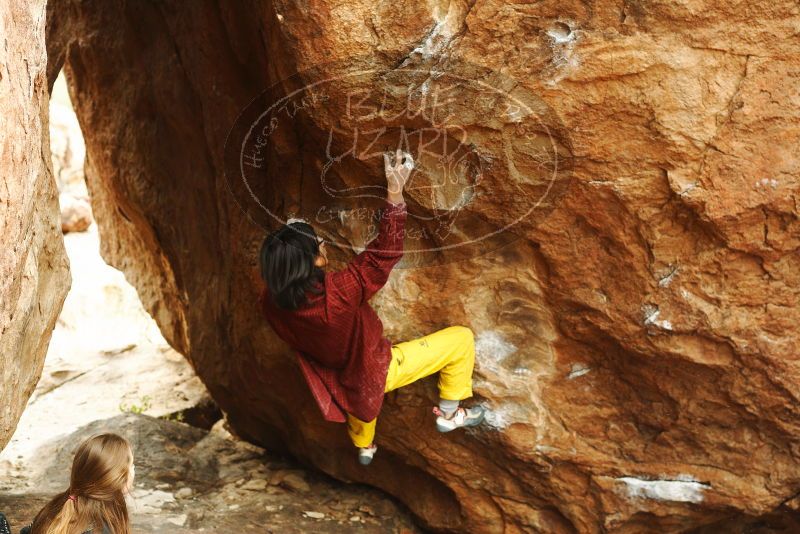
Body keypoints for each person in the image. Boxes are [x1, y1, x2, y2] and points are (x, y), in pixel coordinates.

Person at [258, 148, 485, 465]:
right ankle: (450, 414)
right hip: (373, 369)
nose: (324, 244)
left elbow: (286, 264)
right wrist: (395, 192)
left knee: (359, 405)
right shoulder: (338, 294)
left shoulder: (271, 303)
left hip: (335, 376)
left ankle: (364, 448)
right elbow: (383, 255)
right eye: (320, 245)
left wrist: (293, 236)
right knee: (460, 340)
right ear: (317, 261)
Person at [21, 433, 134, 534]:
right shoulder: (102, 528)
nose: (134, 470)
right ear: (116, 477)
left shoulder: (56, 506)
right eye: (131, 465)